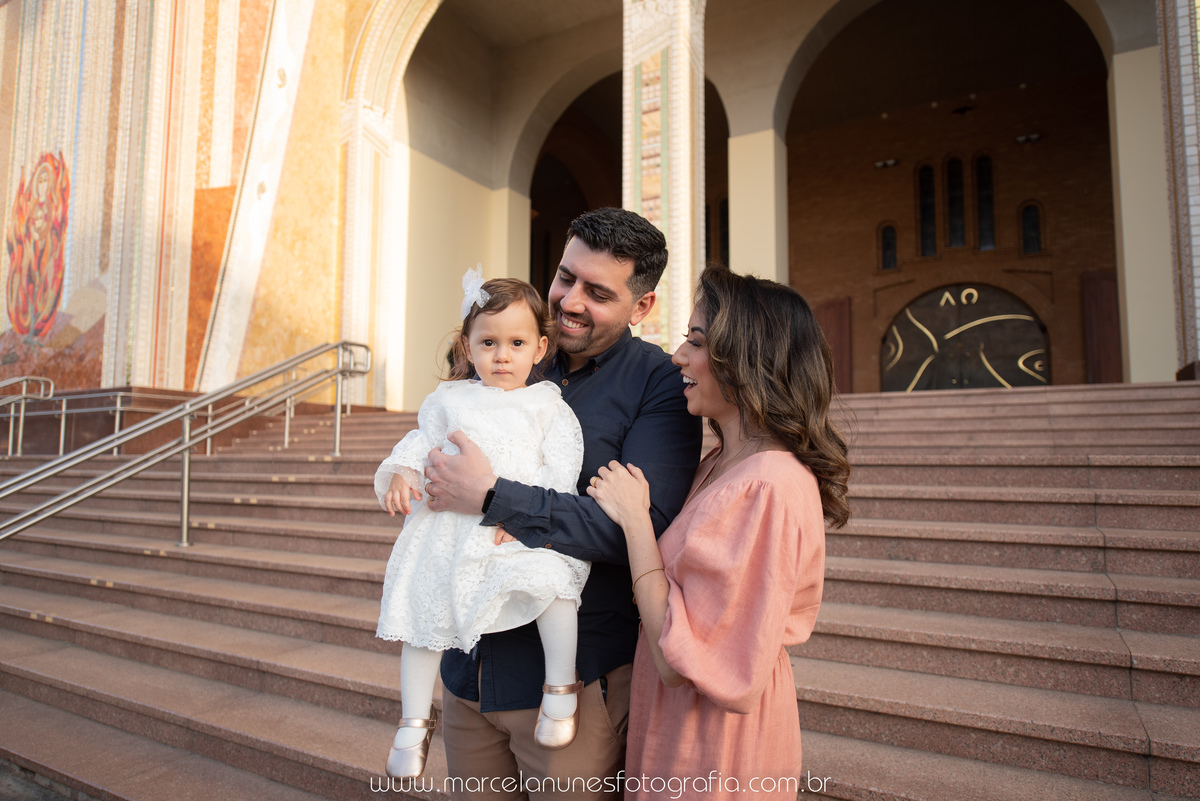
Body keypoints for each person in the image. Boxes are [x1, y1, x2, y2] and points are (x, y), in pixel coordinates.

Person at [422, 208, 704, 799]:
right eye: (565, 277)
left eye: (598, 292)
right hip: (467, 666)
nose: (570, 300)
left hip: (571, 683)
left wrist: (495, 497)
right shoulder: (510, 347)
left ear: (643, 306)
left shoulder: (658, 385)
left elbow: (636, 529)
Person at [587, 265, 851, 799]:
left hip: (713, 747)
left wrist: (637, 521)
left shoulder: (768, 486)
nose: (679, 356)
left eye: (697, 342)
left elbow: (676, 661)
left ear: (751, 360)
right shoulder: (720, 462)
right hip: (676, 725)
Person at [374, 271, 590, 778]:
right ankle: (412, 722)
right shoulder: (450, 399)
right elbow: (419, 440)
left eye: (516, 343)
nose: (502, 355)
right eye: (488, 343)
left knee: (555, 586)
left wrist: (533, 514)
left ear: (540, 348)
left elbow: (563, 464)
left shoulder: (548, 405)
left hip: (514, 527)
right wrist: (403, 474)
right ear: (468, 348)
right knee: (424, 614)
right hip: (449, 530)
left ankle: (560, 690)